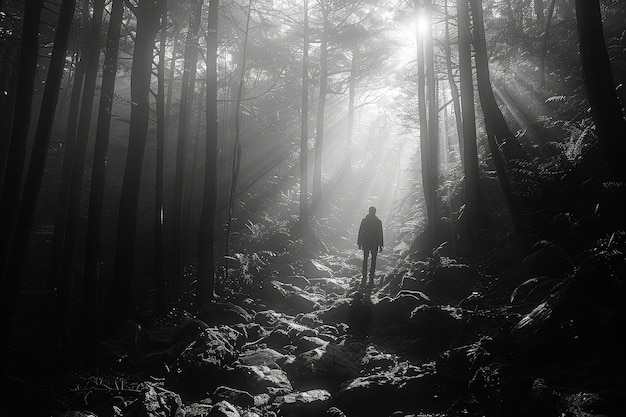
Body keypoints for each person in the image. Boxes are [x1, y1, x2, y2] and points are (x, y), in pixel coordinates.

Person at [357, 206, 383, 288]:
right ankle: (370, 278)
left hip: (367, 243)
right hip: (373, 243)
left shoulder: (365, 220)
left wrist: (359, 243)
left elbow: (361, 232)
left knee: (366, 259)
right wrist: (380, 245)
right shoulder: (377, 221)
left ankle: (365, 277)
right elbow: (380, 234)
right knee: (372, 260)